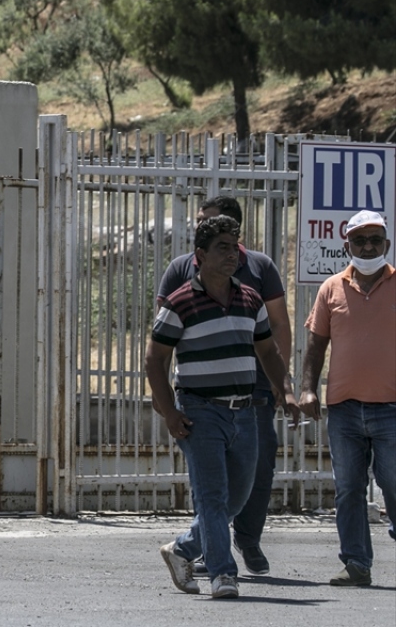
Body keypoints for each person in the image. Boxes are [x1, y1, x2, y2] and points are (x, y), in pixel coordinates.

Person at [147, 215, 290, 599]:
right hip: (200, 411)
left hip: (244, 412)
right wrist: (170, 412)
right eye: (222, 248)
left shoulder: (250, 299)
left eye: (235, 247)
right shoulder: (180, 302)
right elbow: (155, 359)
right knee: (212, 497)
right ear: (200, 255)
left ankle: (181, 549)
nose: (232, 255)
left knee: (236, 498)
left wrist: (286, 390)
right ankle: (223, 574)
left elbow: (268, 351)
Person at [298, 209, 396, 588]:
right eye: (360, 241)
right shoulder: (331, 288)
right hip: (344, 409)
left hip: (391, 409)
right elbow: (315, 345)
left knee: (392, 483)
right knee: (349, 489)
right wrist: (308, 388)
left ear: (387, 244)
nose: (368, 247)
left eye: (375, 240)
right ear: (347, 247)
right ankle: (356, 563)